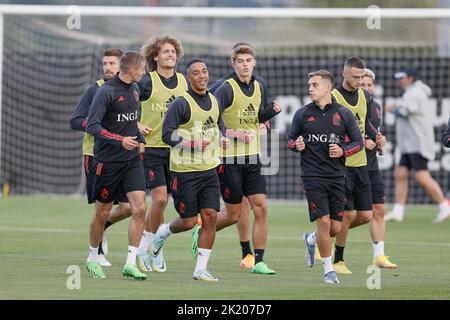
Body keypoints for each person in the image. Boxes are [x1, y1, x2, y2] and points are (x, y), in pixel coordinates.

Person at [204, 44, 281, 275]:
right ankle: (204, 229)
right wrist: (227, 133)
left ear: (254, 62)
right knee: (235, 214)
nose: (245, 64)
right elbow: (210, 117)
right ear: (233, 64)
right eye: (241, 61)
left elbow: (258, 116)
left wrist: (270, 113)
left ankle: (258, 261)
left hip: (252, 157)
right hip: (228, 160)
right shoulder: (226, 89)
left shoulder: (260, 84)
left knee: (261, 207)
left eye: (249, 60)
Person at [151, 59, 229, 282]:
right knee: (188, 221)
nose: (202, 76)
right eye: (196, 73)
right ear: (189, 78)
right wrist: (191, 144)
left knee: (211, 217)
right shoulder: (181, 103)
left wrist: (221, 137)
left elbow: (217, 125)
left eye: (204, 71)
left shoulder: (214, 101)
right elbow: (167, 134)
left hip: (210, 168)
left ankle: (200, 269)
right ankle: (162, 234)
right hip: (184, 171)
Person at [288, 70, 363, 284]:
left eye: (315, 85)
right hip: (312, 176)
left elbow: (357, 143)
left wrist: (343, 151)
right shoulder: (302, 114)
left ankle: (311, 240)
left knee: (335, 227)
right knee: (323, 221)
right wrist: (297, 145)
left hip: (337, 176)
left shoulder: (344, 114)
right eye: (309, 85)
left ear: (328, 88)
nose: (310, 88)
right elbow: (291, 140)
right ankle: (329, 270)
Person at [86, 51, 148, 280]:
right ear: (132, 69)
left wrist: (139, 140)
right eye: (141, 69)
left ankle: (130, 263)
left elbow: (132, 121)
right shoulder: (105, 92)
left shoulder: (134, 89)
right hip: (107, 162)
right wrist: (119, 140)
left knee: (140, 208)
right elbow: (92, 126)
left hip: (131, 162)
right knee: (102, 212)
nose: (143, 73)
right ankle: (93, 257)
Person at [70, 48, 131, 267]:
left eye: (112, 64)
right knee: (101, 208)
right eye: (105, 63)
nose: (107, 68)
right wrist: (100, 127)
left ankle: (101, 227)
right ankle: (95, 253)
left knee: (129, 207)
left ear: (122, 66)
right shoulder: (94, 90)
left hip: (124, 156)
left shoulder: (131, 89)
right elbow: (75, 120)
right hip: (96, 155)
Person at [136, 35, 188, 273]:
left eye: (173, 51)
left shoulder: (183, 83)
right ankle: (151, 247)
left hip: (176, 151)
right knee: (159, 199)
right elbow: (126, 105)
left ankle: (149, 244)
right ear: (155, 56)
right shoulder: (146, 82)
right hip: (152, 149)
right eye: (166, 51)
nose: (171, 55)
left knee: (179, 206)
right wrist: (136, 125)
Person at [330, 56, 386, 274]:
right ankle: (338, 260)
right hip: (341, 165)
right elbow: (330, 128)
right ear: (344, 74)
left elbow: (366, 124)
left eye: (362, 77)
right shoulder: (333, 97)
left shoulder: (364, 95)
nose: (359, 81)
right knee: (347, 214)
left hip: (361, 163)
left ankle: (319, 238)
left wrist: (377, 136)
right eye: (355, 77)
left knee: (365, 215)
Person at [385, 68, 450, 223]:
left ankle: (444, 207)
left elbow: (405, 111)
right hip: (409, 144)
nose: (400, 80)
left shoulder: (416, 92)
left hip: (419, 142)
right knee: (400, 173)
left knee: (421, 176)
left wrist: (393, 109)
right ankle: (398, 211)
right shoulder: (410, 92)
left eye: (403, 77)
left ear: (411, 78)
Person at [361, 69, 397, 268]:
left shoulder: (376, 107)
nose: (366, 88)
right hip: (350, 166)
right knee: (349, 215)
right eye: (363, 84)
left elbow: (375, 136)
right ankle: (324, 242)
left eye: (369, 85)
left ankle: (379, 256)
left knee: (379, 210)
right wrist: (362, 142)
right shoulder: (347, 105)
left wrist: (380, 144)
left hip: (371, 165)